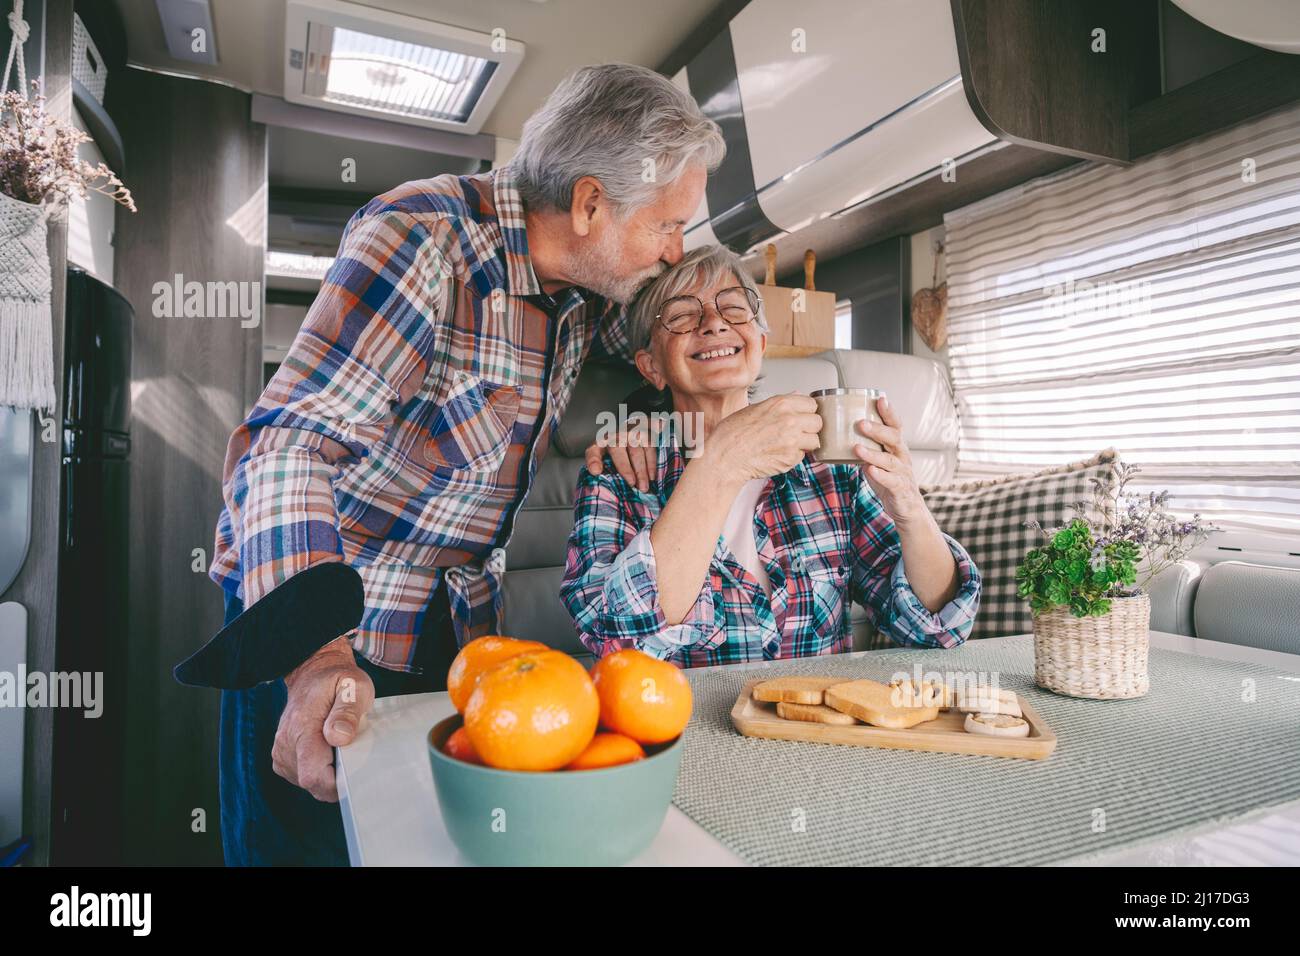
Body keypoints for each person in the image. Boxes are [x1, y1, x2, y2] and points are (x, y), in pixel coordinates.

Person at [199, 64, 725, 865]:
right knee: (306, 849)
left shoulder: (587, 286)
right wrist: (317, 660)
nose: (676, 247)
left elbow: (669, 327)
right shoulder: (423, 237)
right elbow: (289, 444)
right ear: (589, 205)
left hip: (459, 626)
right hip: (330, 612)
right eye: (667, 224)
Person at [560, 245, 981, 665]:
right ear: (651, 366)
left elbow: (936, 626)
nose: (713, 324)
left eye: (734, 309)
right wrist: (721, 462)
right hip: (687, 729)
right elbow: (619, 640)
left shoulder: (829, 469)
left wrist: (910, 508)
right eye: (682, 315)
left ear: (759, 343)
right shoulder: (620, 472)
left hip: (814, 724)